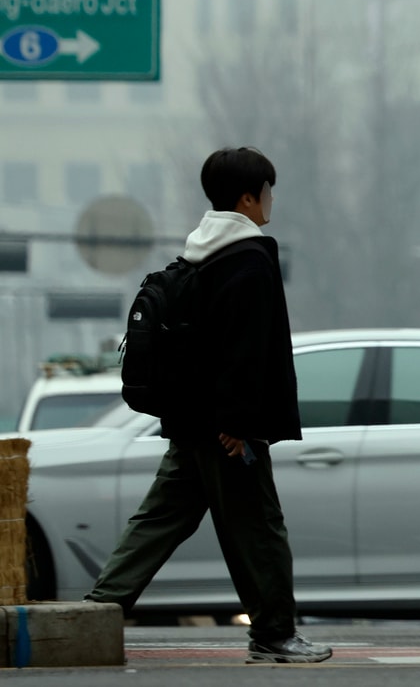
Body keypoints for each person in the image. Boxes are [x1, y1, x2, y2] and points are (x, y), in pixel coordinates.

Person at [86, 147, 331, 664]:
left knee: (158, 521)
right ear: (247, 197)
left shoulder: (199, 252)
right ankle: (274, 634)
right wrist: (239, 423)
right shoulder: (249, 258)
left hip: (191, 420)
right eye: (266, 191)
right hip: (226, 430)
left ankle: (96, 612)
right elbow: (244, 350)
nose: (270, 201)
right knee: (259, 530)